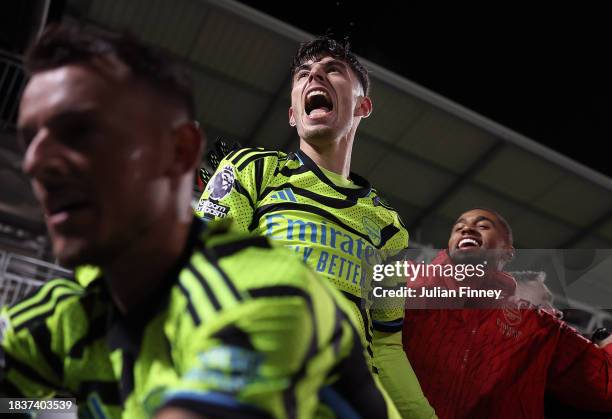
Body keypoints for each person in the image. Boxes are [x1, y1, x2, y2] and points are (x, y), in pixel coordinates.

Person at [0, 24, 400, 419]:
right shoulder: (64, 319)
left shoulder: (278, 296)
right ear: (293, 115)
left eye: (83, 131)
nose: (36, 162)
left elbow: (388, 344)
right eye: (30, 138)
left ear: (180, 151)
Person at [195, 37, 435, 418]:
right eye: (303, 74)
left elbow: (387, 345)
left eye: (332, 70)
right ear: (293, 112)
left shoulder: (389, 227)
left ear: (363, 106)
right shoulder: (254, 171)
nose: (315, 75)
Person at [402, 208, 612, 419]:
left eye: (483, 226)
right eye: (459, 228)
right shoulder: (407, 281)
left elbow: (604, 384)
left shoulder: (538, 328)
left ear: (507, 252)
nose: (467, 229)